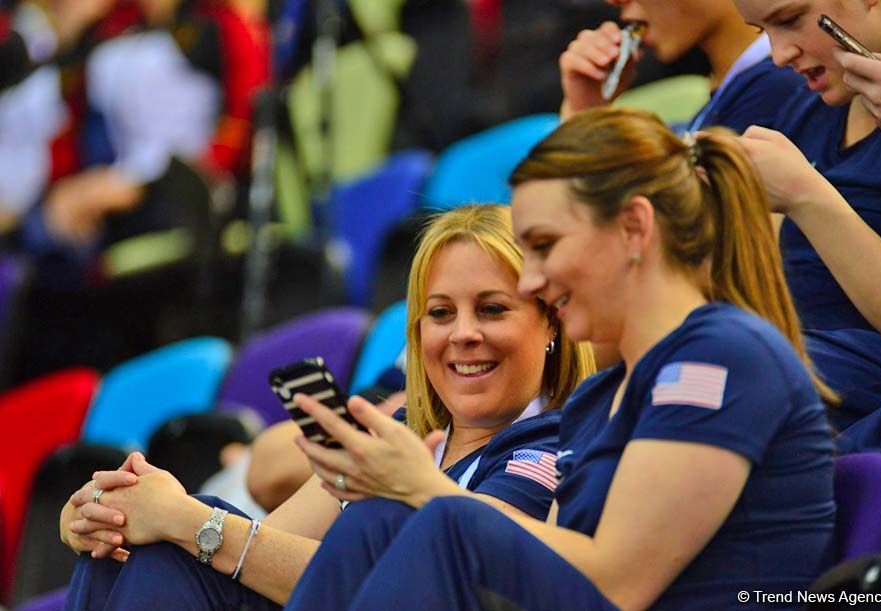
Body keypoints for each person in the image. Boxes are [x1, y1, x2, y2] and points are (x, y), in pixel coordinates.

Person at [282, 107, 837, 611]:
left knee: (436, 517)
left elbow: (619, 586)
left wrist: (423, 486)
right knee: (380, 518)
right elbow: (550, 569)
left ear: (634, 229)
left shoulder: (722, 356)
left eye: (545, 245)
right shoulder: (601, 393)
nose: (533, 280)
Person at [60, 204, 597, 609]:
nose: (463, 334)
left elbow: (380, 585)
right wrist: (113, 512)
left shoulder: (548, 447)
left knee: (179, 539)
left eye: (493, 309)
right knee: (128, 547)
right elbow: (275, 543)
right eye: (440, 313)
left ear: (551, 320)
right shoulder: (403, 428)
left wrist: (184, 519)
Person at [734, 0, 881, 450]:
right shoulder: (808, 111)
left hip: (857, 400)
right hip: (793, 368)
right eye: (760, 31)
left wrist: (807, 197)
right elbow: (760, 293)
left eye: (789, 21)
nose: (780, 53)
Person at [559, 0, 805, 132]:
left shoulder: (779, 88)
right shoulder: (744, 88)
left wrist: (582, 118)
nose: (614, 1)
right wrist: (586, 111)